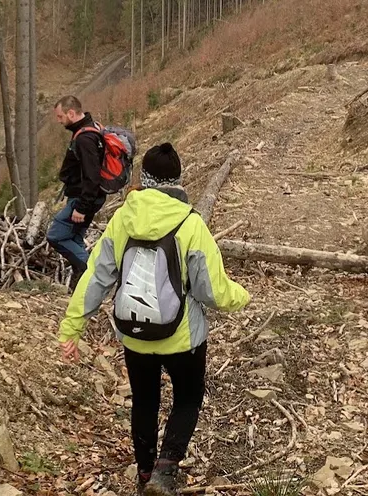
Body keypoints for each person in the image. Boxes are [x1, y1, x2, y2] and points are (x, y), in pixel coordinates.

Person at [58, 143, 249, 496]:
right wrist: (243, 297)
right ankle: (165, 468)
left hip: (134, 334)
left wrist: (72, 328)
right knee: (188, 399)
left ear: (142, 179)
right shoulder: (191, 224)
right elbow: (213, 291)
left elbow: (96, 277)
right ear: (177, 180)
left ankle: (144, 474)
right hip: (183, 338)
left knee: (145, 401)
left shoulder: (121, 219)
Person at [48, 95, 108, 287]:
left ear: (71, 113)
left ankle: (94, 273)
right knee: (74, 239)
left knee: (55, 235)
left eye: (60, 117)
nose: (59, 121)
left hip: (83, 199)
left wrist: (82, 207)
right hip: (85, 197)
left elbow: (92, 176)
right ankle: (81, 288)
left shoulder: (85, 139)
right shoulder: (91, 127)